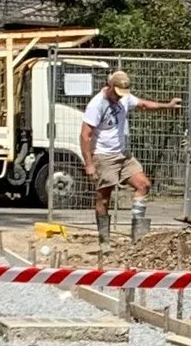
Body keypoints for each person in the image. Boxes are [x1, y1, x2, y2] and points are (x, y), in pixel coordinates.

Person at [77, 66, 180, 245]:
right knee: (104, 198)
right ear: (109, 86)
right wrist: (89, 164)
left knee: (143, 184)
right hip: (104, 156)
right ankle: (104, 241)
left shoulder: (125, 98)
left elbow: (143, 105)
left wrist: (167, 106)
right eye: (117, 93)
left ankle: (138, 236)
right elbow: (85, 135)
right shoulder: (97, 104)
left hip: (123, 155)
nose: (119, 97)